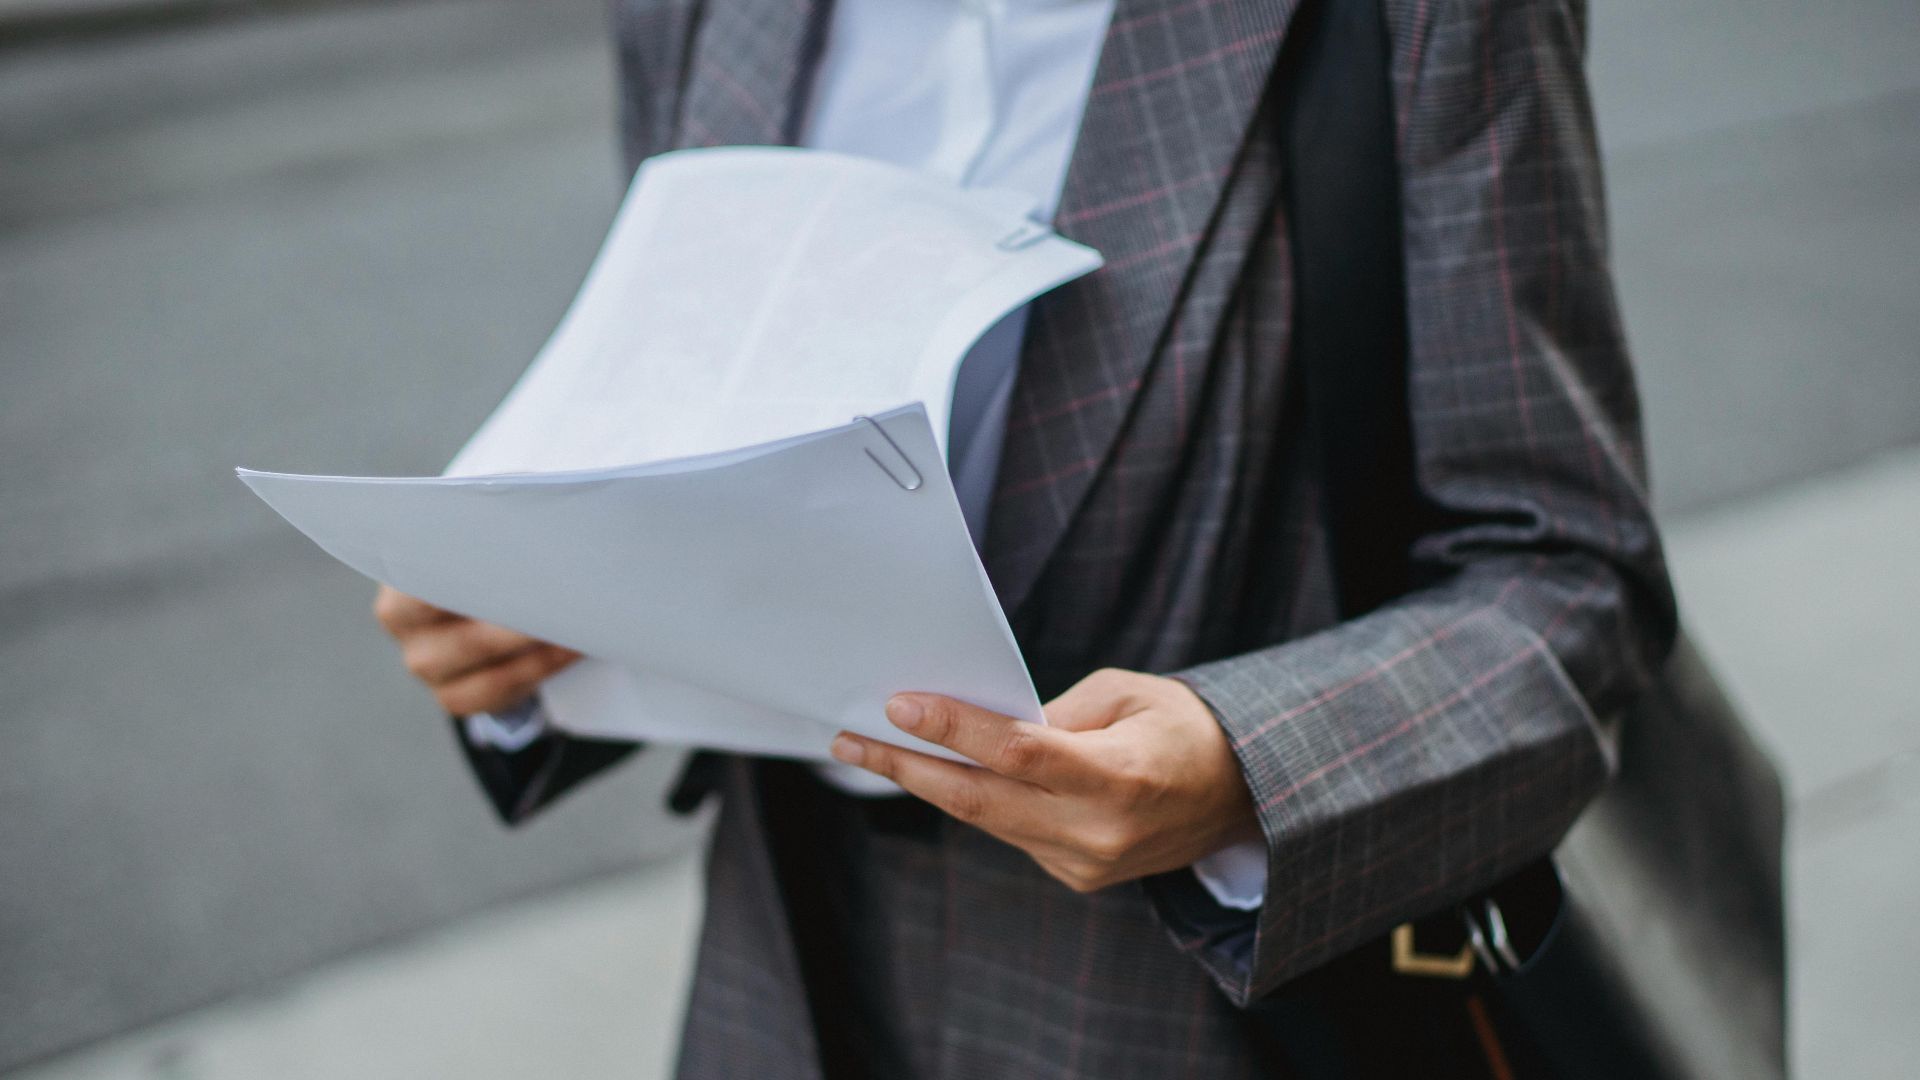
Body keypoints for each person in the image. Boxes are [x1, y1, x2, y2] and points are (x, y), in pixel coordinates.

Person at [374, 1, 1783, 1076]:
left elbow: (1566, 572)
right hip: (781, 982)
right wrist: (529, 606)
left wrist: (1251, 767)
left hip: (1212, 1018)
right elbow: (679, 386)